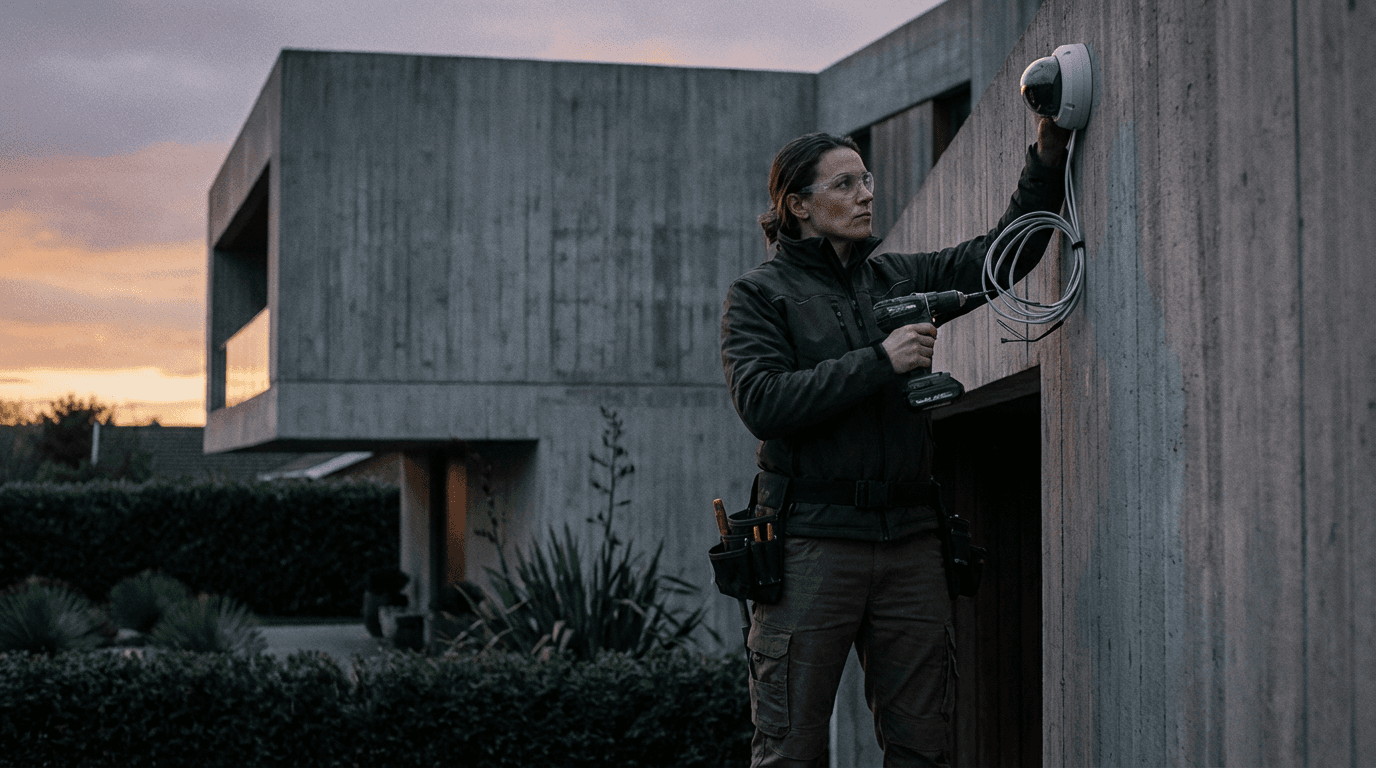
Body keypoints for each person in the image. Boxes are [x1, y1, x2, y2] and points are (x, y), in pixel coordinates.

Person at [719, 117, 1070, 767]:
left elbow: (1002, 256)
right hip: (812, 544)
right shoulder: (759, 296)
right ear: (798, 205)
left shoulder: (899, 280)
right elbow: (763, 403)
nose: (866, 195)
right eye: (844, 184)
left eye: (867, 180)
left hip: (910, 541)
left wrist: (1046, 161)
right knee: (790, 750)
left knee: (924, 748)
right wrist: (881, 360)